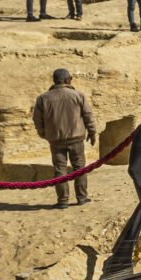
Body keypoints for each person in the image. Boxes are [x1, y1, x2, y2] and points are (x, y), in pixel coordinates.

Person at [32, 68, 98, 208]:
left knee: (60, 170)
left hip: (55, 140)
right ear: (68, 80)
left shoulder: (43, 98)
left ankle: (63, 200)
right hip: (76, 138)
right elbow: (88, 115)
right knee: (79, 168)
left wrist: (44, 134)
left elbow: (37, 120)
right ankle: (82, 197)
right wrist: (92, 133)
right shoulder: (78, 95)